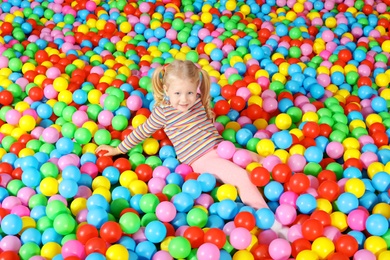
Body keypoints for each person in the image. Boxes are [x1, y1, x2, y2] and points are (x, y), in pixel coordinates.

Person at [95, 60, 288, 238]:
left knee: (261, 161)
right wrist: (118, 149)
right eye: (177, 93)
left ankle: (288, 193)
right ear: (166, 89)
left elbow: (205, 118)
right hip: (201, 158)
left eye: (189, 92)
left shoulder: (198, 99)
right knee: (242, 177)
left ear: (196, 88)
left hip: (221, 146)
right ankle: (274, 226)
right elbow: (142, 131)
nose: (184, 99)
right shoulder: (163, 111)